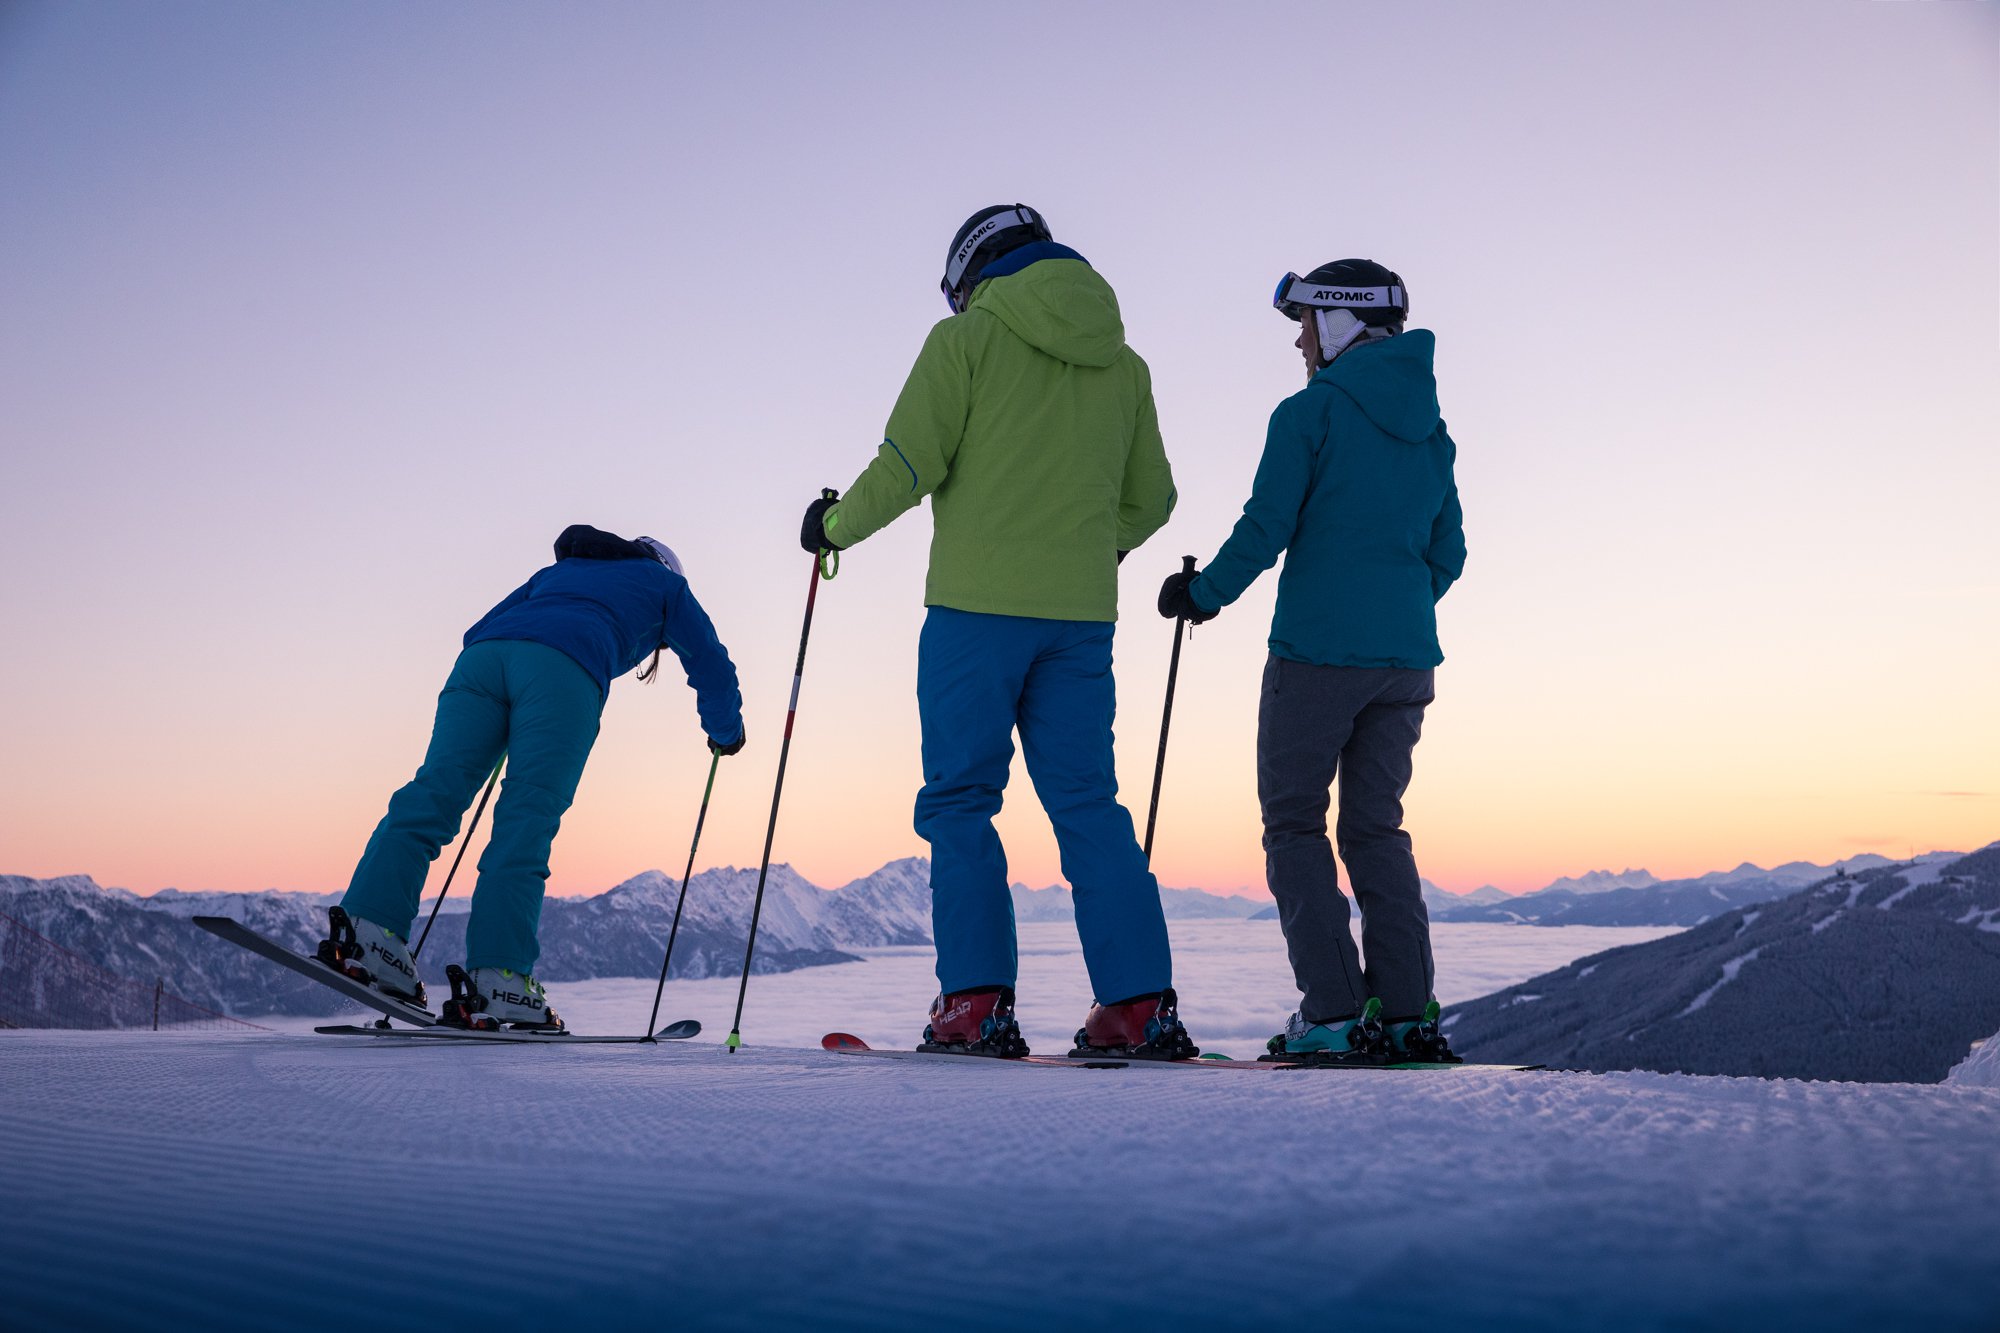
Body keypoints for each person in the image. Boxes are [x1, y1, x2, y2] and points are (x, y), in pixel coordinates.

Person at [799, 204, 1195, 1059]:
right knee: (1089, 803)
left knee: (960, 801)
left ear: (971, 275)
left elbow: (909, 464)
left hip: (975, 613)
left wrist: (833, 527)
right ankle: (1137, 1008)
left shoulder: (966, 343)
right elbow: (1154, 499)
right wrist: (1097, 549)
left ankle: (975, 1004)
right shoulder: (1123, 366)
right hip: (1081, 622)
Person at [1157, 259, 1466, 1063]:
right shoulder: (1432, 434)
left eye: (1306, 322)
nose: (1298, 340)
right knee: (1377, 830)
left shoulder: (1311, 414)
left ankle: (1334, 1013)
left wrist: (1202, 595)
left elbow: (1265, 528)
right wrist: (1392, 609)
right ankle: (1405, 1016)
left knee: (1294, 825)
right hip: (1405, 665)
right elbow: (1450, 554)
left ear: (1339, 321)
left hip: (1315, 657)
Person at [324, 524, 745, 1032]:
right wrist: (727, 732)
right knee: (526, 819)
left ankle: (369, 935)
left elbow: (479, 626)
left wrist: (508, 689)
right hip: (563, 673)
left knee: (432, 794)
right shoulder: (667, 587)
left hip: (479, 664)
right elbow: (710, 661)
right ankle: (500, 979)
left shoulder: (560, 571)